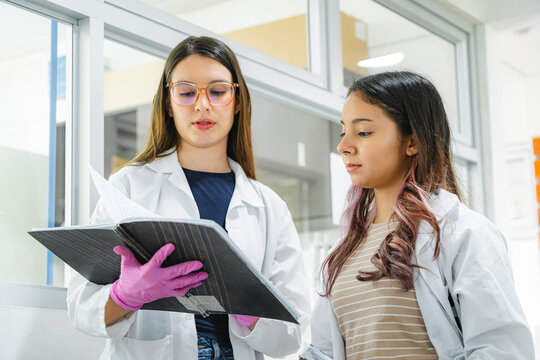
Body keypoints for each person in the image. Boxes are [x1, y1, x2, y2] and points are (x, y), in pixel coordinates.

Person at [67, 36, 310, 360]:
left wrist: (250, 310)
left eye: (218, 91)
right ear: (168, 102)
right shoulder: (129, 186)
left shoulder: (268, 207)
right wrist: (126, 296)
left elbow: (292, 333)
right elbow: (81, 306)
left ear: (237, 100)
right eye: (186, 92)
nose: (202, 104)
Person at [301, 71, 534, 359]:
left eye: (363, 132)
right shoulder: (344, 251)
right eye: (343, 131)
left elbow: (501, 351)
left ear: (412, 142)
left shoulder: (463, 234)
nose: (343, 146)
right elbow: (324, 351)